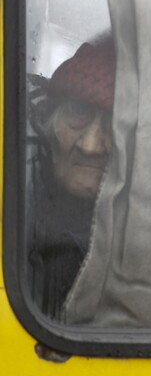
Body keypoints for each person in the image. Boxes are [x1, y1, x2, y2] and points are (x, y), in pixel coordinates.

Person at [27, 38, 115, 319]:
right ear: (50, 126)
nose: (90, 146)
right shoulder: (15, 207)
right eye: (78, 114)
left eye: (115, 123)